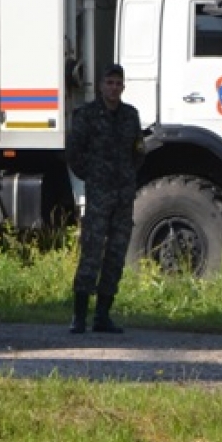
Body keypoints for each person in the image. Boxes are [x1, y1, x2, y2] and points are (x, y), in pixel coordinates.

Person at [66, 63, 145, 335]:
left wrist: (125, 177)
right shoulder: (86, 116)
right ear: (101, 86)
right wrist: (94, 177)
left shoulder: (130, 116)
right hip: (99, 195)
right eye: (109, 83)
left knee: (116, 255)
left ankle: (102, 316)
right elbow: (74, 152)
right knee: (92, 253)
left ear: (123, 87)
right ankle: (79, 317)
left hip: (123, 196)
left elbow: (138, 152)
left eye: (118, 83)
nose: (113, 88)